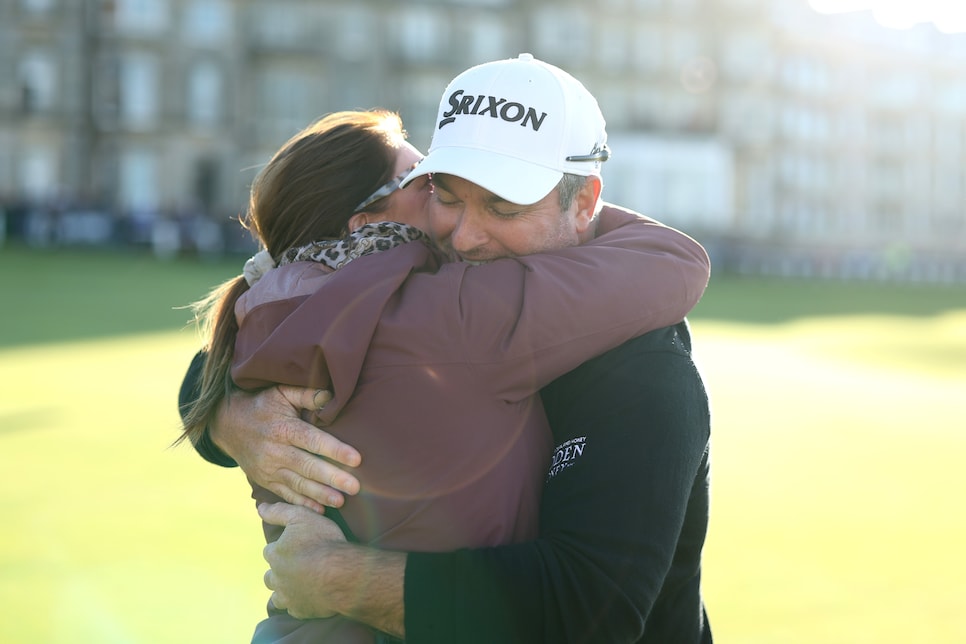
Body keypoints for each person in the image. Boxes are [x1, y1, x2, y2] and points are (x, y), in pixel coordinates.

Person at [179, 59, 711, 643]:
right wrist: (234, 420)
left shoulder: (645, 370)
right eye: (447, 196)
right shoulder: (423, 293)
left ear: (585, 203)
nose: (465, 237)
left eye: (504, 208)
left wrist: (336, 578)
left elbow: (588, 609)